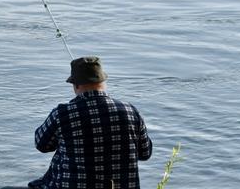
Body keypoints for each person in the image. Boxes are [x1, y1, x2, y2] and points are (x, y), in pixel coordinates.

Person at [29, 56, 153, 189]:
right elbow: (145, 153)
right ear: (103, 82)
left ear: (76, 85)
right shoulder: (130, 111)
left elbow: (41, 144)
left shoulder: (62, 113)